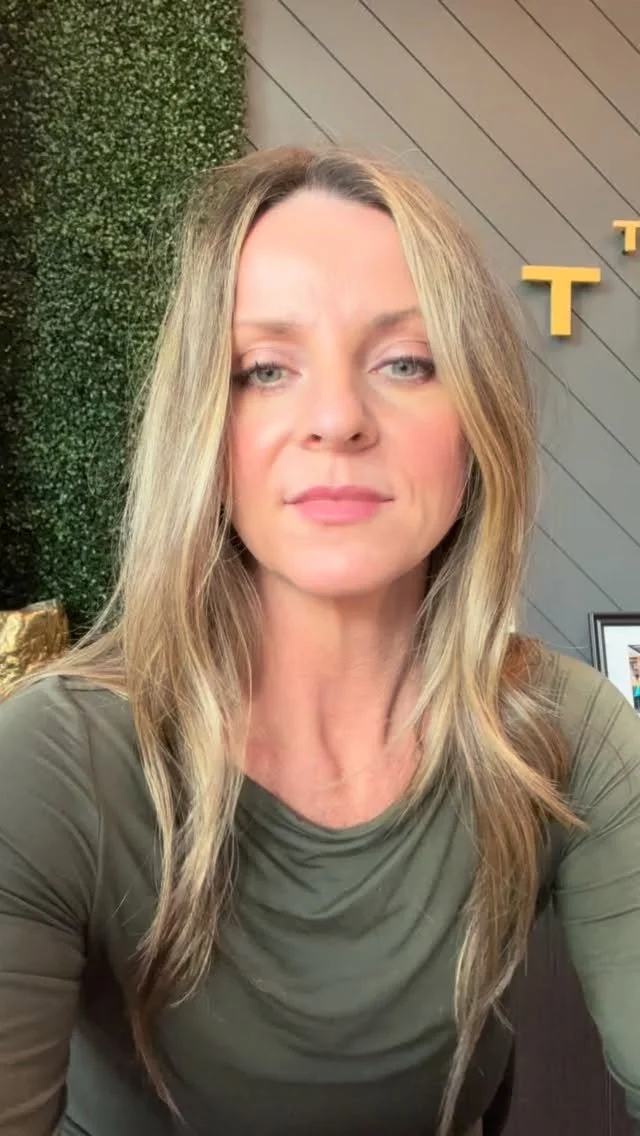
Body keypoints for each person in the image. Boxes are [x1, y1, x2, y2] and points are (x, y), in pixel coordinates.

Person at [1, 145, 639, 1136]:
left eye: (404, 361)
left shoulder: (566, 731)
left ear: (477, 420)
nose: (337, 419)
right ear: (203, 425)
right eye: (265, 369)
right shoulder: (54, 759)